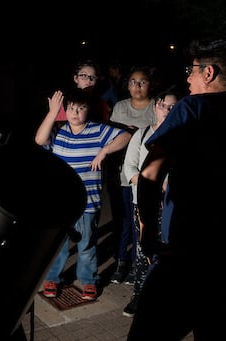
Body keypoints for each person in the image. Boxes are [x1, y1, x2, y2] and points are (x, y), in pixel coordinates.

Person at [127, 36, 226, 340]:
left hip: (185, 258)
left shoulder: (193, 108)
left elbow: (150, 173)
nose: (187, 77)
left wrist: (147, 229)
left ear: (209, 73)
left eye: (192, 69)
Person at [35, 87, 131, 300]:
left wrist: (104, 151)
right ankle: (53, 278)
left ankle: (88, 280)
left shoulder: (97, 130)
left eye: (81, 108)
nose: (75, 113)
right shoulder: (58, 130)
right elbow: (40, 141)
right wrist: (52, 112)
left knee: (86, 244)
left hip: (89, 201)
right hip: (61, 202)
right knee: (58, 245)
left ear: (89, 110)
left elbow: (125, 136)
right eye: (70, 108)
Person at [121, 89, 179, 317]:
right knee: (143, 250)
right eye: (164, 105)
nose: (168, 111)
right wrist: (150, 184)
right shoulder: (143, 134)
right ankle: (139, 295)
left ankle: (164, 299)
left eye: (174, 107)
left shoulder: (181, 138)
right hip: (143, 204)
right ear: (156, 106)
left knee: (166, 254)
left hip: (170, 207)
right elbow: (129, 169)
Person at [108, 65, 161, 285]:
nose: (137, 86)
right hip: (120, 174)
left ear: (150, 84)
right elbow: (110, 138)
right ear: (127, 85)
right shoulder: (119, 108)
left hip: (145, 177)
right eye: (133, 81)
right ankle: (120, 261)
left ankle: (135, 263)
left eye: (142, 81)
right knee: (122, 220)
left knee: (140, 222)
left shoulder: (156, 108)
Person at [54, 59, 110, 124]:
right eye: (84, 75)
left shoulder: (101, 103)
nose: (89, 80)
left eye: (93, 77)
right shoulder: (65, 100)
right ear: (76, 78)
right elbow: (59, 126)